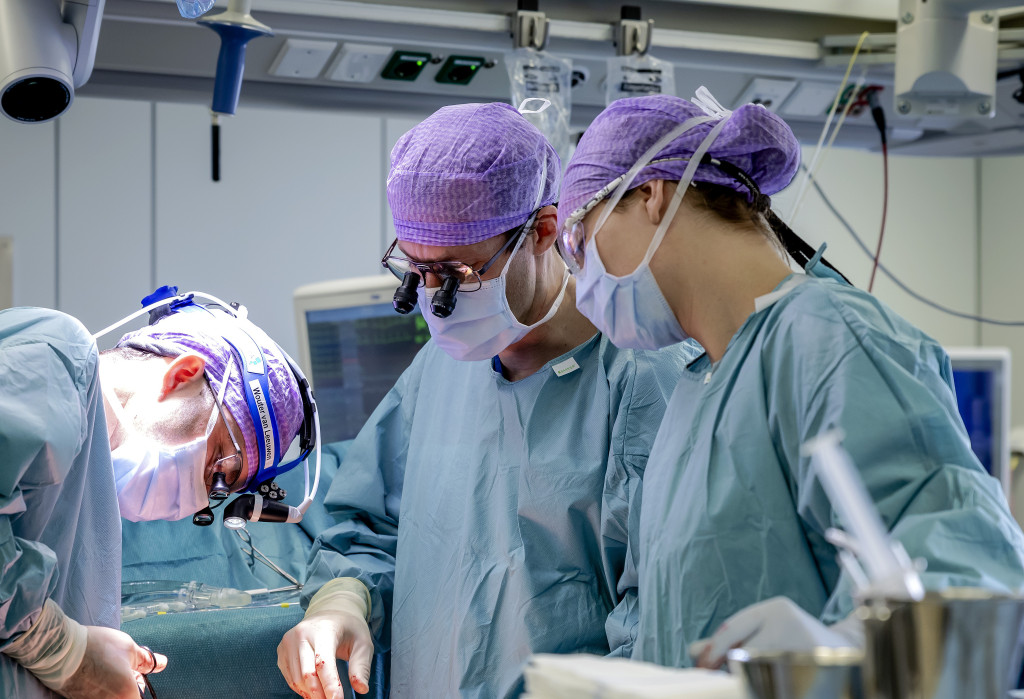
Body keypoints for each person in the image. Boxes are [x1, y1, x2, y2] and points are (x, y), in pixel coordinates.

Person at [555, 88, 1024, 669]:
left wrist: (844, 648)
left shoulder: (829, 339)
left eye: (578, 240)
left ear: (652, 194)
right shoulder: (699, 390)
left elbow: (965, 567)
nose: (579, 276)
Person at [277, 102, 698, 699]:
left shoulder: (645, 380)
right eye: (416, 270)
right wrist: (341, 603)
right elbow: (369, 524)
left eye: (458, 273)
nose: (433, 297)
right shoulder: (438, 370)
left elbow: (662, 624)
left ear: (543, 231)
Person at [0, 289, 307, 698]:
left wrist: (88, 657)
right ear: (182, 376)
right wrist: (66, 653)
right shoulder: (53, 358)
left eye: (218, 492)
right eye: (220, 467)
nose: (199, 499)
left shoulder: (92, 509)